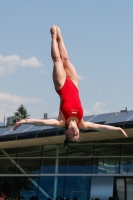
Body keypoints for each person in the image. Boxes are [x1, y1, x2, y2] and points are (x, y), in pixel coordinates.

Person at [13, 25, 127, 147]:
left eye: (72, 135)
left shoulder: (61, 122)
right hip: (74, 83)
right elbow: (99, 127)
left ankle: (53, 36)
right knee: (66, 59)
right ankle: (60, 36)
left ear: (67, 132)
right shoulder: (82, 123)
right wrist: (117, 129)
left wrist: (25, 121)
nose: (75, 133)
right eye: (76, 135)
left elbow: (42, 122)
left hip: (61, 86)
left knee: (57, 59)